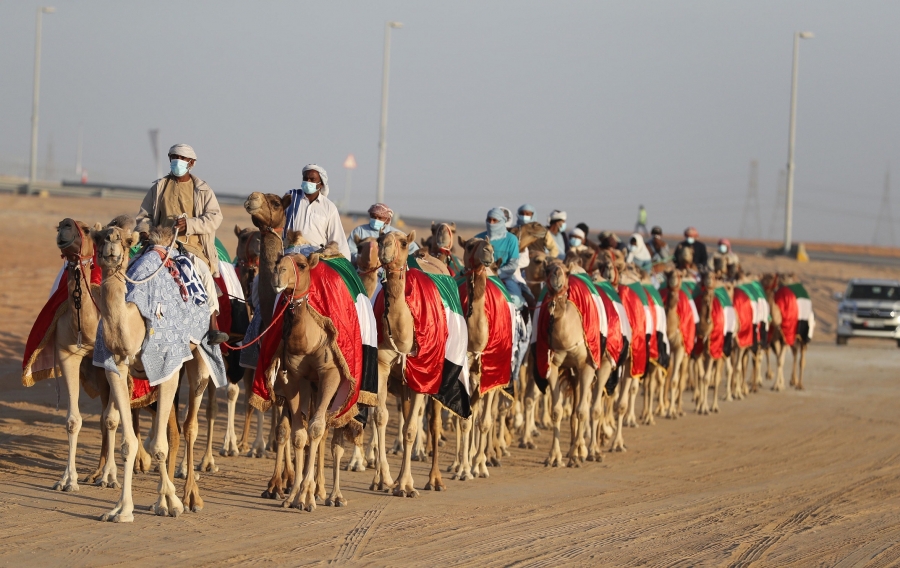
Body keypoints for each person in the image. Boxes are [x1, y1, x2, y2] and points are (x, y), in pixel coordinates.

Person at [135, 143, 228, 344]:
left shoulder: (202, 189)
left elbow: (215, 217)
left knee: (203, 274)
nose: (176, 162)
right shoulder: (159, 187)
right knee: (133, 269)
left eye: (181, 158)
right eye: (173, 157)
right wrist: (144, 230)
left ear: (191, 163)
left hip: (191, 246)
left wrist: (190, 224)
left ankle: (213, 324)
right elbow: (144, 216)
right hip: (160, 244)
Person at [284, 164, 351, 260]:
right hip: (290, 255)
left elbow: (337, 238)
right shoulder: (291, 197)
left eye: (312, 179)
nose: (308, 182)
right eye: (305, 178)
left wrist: (346, 265)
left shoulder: (329, 207)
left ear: (321, 184)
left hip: (315, 258)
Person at [475, 207, 524, 308]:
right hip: (479, 277)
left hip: (505, 278)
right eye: (489, 220)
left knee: (516, 301)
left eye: (494, 220)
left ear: (502, 222)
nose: (491, 223)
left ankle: (515, 323)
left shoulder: (511, 239)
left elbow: (513, 264)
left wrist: (496, 275)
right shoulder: (478, 238)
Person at [346, 203, 417, 264]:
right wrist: (365, 258)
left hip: (390, 272)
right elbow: (349, 251)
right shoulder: (359, 231)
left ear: (387, 219)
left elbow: (413, 251)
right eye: (373, 217)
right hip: (363, 270)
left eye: (380, 218)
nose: (376, 220)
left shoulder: (396, 234)